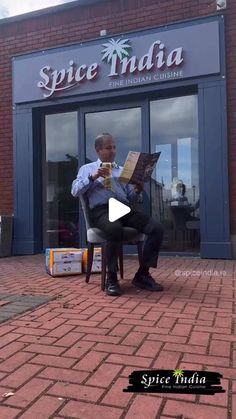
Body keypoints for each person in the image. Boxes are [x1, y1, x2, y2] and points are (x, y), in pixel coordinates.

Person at [71, 133, 164, 296]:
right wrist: (94, 177)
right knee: (114, 229)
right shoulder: (87, 169)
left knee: (156, 228)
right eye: (108, 148)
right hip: (101, 210)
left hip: (122, 208)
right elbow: (75, 191)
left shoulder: (122, 171)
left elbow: (130, 196)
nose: (113, 151)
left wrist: (138, 189)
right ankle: (111, 279)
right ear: (98, 150)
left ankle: (142, 274)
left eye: (114, 147)